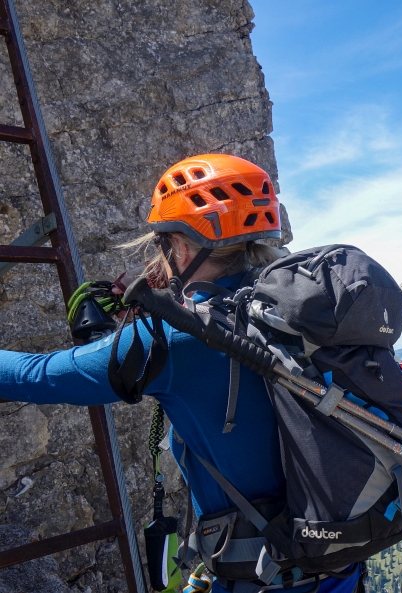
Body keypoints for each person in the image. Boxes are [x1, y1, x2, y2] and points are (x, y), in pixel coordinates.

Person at [0, 154, 362, 593]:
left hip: (259, 580)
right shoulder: (304, 312)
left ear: (184, 246)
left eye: (162, 243)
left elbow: (37, 375)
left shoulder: (175, 341)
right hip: (340, 569)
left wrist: (138, 333)